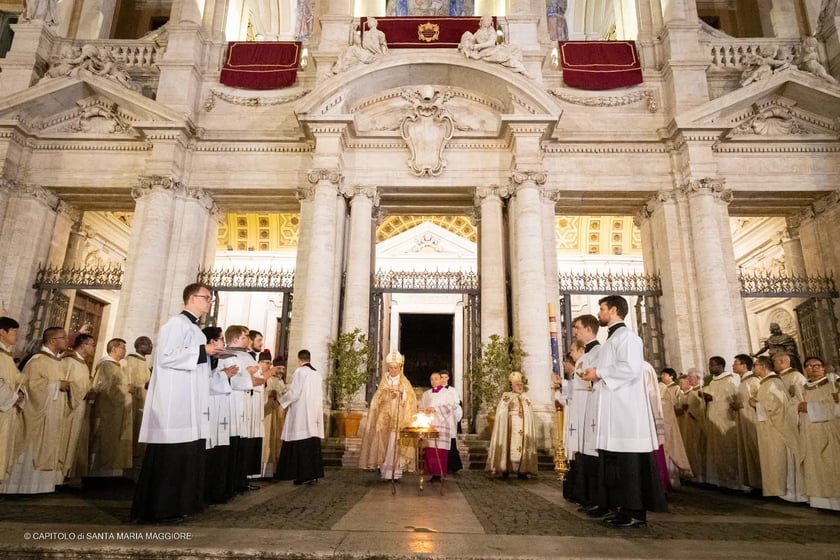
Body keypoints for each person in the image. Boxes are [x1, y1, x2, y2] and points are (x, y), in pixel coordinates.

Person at [131, 283, 223, 523]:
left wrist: (211, 357)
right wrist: (204, 350)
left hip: (190, 402)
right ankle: (160, 508)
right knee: (171, 458)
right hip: (175, 404)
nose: (209, 302)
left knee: (186, 457)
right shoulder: (176, 325)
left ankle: (180, 505)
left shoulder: (196, 331)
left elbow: (197, 363)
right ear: (192, 298)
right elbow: (167, 356)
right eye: (206, 298)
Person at [580, 295, 666, 528]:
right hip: (615, 410)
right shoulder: (612, 339)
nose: (599, 313)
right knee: (617, 463)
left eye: (602, 309)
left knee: (630, 465)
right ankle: (623, 507)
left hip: (627, 413)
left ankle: (636, 512)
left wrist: (599, 373)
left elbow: (630, 368)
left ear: (614, 310)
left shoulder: (628, 337)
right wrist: (596, 374)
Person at [0, 327, 69, 494]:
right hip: (38, 414)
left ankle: (43, 486)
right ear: (52, 341)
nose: (67, 341)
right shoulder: (37, 360)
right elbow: (31, 385)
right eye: (64, 337)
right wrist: (56, 385)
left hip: (53, 412)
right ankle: (21, 486)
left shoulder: (58, 361)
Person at [220, 325, 269, 490]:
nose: (249, 339)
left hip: (245, 403)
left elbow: (255, 378)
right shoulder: (229, 355)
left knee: (241, 443)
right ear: (235, 339)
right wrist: (256, 375)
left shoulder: (244, 355)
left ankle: (239, 480)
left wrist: (257, 375)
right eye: (246, 336)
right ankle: (232, 482)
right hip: (234, 403)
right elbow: (247, 379)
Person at [750, 355, 805, 502]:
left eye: (755, 365)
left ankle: (785, 492)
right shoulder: (768, 383)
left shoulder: (772, 384)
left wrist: (755, 404)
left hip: (776, 430)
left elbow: (777, 408)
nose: (753, 368)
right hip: (770, 428)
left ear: (762, 366)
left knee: (779, 459)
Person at [358, 349, 417, 480]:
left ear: (400, 368)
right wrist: (387, 395)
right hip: (384, 419)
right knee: (384, 445)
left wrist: (402, 395)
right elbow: (376, 400)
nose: (393, 370)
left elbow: (411, 401)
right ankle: (385, 472)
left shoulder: (405, 383)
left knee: (395, 444)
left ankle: (395, 473)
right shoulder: (384, 381)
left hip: (399, 420)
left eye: (395, 368)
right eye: (391, 367)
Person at [567, 314, 602, 509]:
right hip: (582, 406)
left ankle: (595, 499)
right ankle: (587, 496)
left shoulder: (599, 351)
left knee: (592, 452)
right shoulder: (588, 355)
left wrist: (577, 374)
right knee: (584, 453)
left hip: (592, 405)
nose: (575, 332)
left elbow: (593, 377)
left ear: (589, 330)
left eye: (578, 328)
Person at [275, 349, 324, 485]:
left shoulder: (300, 372)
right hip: (313, 414)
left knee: (300, 441)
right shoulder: (317, 374)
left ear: (299, 360)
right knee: (311, 443)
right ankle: (313, 473)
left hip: (301, 414)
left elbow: (295, 393)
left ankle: (300, 474)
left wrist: (282, 401)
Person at [797, 357, 840, 510]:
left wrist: (810, 407)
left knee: (832, 465)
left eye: (817, 366)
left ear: (823, 368)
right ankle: (819, 501)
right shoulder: (802, 388)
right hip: (809, 434)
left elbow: (836, 407)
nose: (813, 368)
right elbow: (792, 407)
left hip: (829, 431)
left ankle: (836, 502)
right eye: (808, 366)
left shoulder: (834, 385)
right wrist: (795, 408)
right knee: (814, 467)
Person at [202, 326, 237, 504]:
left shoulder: (216, 360)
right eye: (221, 339)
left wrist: (225, 375)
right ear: (211, 342)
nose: (223, 342)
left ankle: (217, 490)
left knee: (218, 450)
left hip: (218, 410)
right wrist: (224, 375)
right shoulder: (202, 361)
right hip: (208, 411)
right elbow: (204, 383)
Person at [89, 338, 132, 479]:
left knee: (113, 441)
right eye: (123, 348)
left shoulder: (117, 366)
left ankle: (109, 472)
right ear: (114, 349)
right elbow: (106, 388)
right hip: (108, 410)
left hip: (117, 410)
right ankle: (98, 474)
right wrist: (126, 390)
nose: (125, 351)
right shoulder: (106, 366)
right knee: (104, 440)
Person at [486, 371, 538, 480]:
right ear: (512, 385)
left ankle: (522, 471)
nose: (520, 387)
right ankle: (504, 468)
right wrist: (507, 407)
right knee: (507, 444)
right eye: (517, 385)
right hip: (510, 426)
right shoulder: (506, 395)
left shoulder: (526, 397)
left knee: (523, 446)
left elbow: (529, 413)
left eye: (521, 384)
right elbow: (501, 411)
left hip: (523, 426)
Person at [57, 333, 94, 482]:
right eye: (92, 344)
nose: (93, 348)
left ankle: (68, 474)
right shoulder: (68, 361)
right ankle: (59, 475)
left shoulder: (83, 364)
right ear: (83, 345)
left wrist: (90, 391)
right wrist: (82, 393)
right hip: (69, 409)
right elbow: (64, 383)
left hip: (80, 408)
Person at [702, 356, 741, 490]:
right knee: (716, 451)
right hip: (714, 420)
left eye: (712, 365)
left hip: (726, 421)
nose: (710, 367)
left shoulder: (730, 381)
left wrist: (714, 398)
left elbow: (734, 399)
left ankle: (735, 482)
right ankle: (720, 480)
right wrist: (706, 398)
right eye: (709, 364)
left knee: (729, 451)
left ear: (720, 366)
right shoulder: (713, 382)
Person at [458, 15, 531, 77]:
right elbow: (471, 40)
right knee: (507, 56)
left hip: (492, 49)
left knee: (515, 49)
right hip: (486, 52)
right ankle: (522, 70)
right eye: (487, 20)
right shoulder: (478, 32)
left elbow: (491, 42)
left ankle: (521, 70)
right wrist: (465, 45)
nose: (489, 22)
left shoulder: (491, 31)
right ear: (482, 22)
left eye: (490, 21)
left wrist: (477, 46)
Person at [731, 354, 762, 491]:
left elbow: (760, 399)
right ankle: (754, 483)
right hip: (745, 421)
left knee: (756, 450)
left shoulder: (754, 381)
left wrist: (742, 405)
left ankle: (762, 482)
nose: (733, 365)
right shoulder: (743, 381)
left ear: (744, 366)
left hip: (753, 422)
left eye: (736, 363)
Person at [657, 367, 691, 489]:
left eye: (665, 375)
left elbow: (677, 404)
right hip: (666, 421)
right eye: (662, 375)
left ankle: (673, 479)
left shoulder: (673, 389)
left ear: (671, 376)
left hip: (671, 421)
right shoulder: (661, 388)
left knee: (671, 447)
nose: (662, 377)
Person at [421, 372, 457, 482]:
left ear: (440, 379)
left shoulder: (447, 393)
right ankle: (432, 473)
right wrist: (425, 410)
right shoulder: (426, 394)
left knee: (440, 450)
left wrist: (436, 409)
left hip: (441, 425)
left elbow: (452, 406)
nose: (433, 381)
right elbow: (421, 407)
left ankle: (440, 472)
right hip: (430, 425)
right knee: (430, 450)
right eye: (431, 379)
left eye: (436, 378)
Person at [0, 317, 23, 483]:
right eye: (14, 331)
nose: (17, 336)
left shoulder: (7, 355)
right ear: (2, 332)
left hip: (7, 410)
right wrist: (14, 397)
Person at [125, 336, 152, 470]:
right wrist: (145, 385)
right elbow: (128, 383)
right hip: (134, 403)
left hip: (143, 402)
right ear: (140, 346)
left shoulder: (143, 362)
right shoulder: (131, 360)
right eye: (148, 344)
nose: (151, 346)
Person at [260, 349, 287, 478]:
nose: (280, 370)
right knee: (267, 440)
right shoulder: (267, 379)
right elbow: (264, 394)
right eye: (278, 367)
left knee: (275, 441)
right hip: (268, 414)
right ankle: (263, 471)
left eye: (283, 368)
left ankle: (274, 470)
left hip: (278, 415)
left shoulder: (281, 381)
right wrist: (272, 395)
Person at [678, 368, 707, 483]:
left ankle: (702, 476)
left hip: (698, 425)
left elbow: (703, 409)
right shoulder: (690, 393)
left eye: (690, 377)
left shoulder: (703, 391)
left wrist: (690, 411)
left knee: (699, 449)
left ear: (698, 378)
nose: (688, 379)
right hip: (689, 425)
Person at [440, 371, 463, 474]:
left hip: (450, 419)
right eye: (442, 377)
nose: (444, 379)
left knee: (451, 443)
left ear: (448, 378)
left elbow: (456, 403)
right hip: (440, 420)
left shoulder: (453, 391)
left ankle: (453, 466)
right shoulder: (437, 390)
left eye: (445, 377)